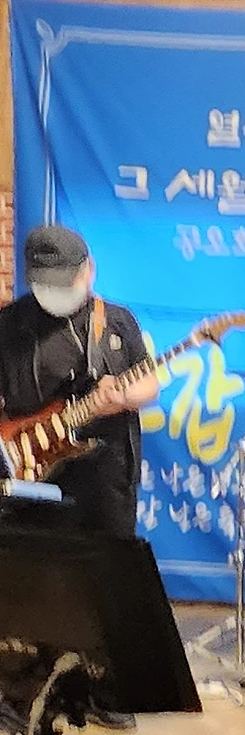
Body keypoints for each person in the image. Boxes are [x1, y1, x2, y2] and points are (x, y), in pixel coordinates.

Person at [0, 223, 160, 540]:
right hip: (28, 478)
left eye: (66, 282)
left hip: (104, 482)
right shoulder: (9, 325)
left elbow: (150, 383)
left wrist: (123, 398)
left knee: (105, 562)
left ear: (89, 270)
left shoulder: (116, 321)